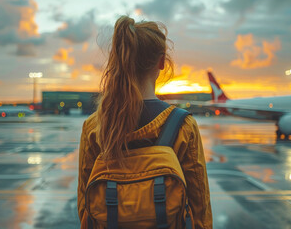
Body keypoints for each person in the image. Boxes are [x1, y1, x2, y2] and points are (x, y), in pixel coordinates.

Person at [77, 15, 212, 229]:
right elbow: (200, 209)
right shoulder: (183, 125)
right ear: (161, 62)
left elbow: (86, 207)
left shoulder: (95, 126)